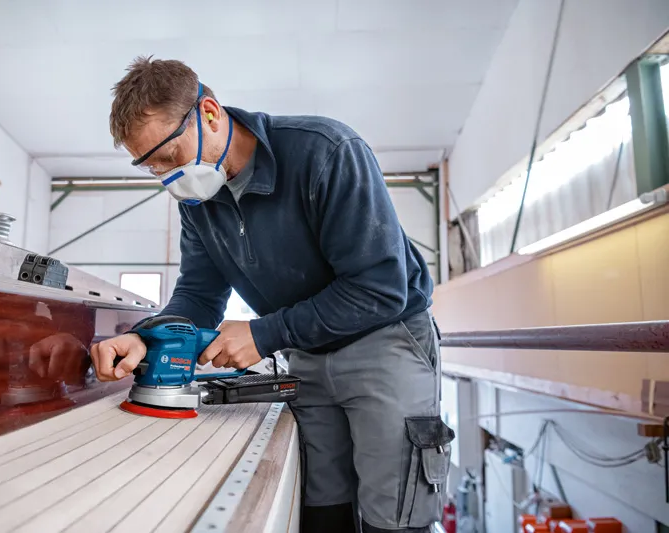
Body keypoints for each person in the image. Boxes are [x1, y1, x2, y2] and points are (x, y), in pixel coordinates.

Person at [90, 56, 453, 533]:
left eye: (169, 156)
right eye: (150, 166)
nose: (167, 177)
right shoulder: (199, 201)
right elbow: (198, 294)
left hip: (385, 343)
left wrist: (265, 334)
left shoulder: (325, 152)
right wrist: (147, 337)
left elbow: (378, 289)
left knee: (395, 515)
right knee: (322, 505)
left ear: (211, 114)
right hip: (306, 351)